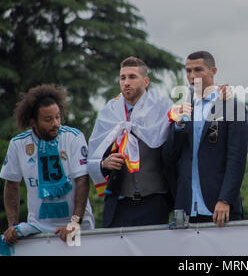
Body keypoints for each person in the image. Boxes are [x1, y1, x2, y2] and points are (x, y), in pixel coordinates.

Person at [162, 51, 248, 227]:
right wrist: (178, 127)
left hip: (219, 207)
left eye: (198, 70)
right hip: (185, 208)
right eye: (188, 71)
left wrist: (225, 199)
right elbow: (168, 157)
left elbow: (236, 160)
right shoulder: (181, 109)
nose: (192, 76)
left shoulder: (233, 106)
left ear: (213, 71)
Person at [87, 56, 176, 228]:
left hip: (155, 202)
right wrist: (104, 163)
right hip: (118, 203)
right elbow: (94, 155)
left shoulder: (163, 108)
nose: (126, 82)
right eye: (123, 78)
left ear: (146, 81)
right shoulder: (109, 112)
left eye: (132, 77)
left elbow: (175, 150)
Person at [0, 84, 94, 245]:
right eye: (48, 119)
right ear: (33, 122)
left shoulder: (73, 137)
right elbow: (11, 185)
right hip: (38, 229)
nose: (55, 123)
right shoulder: (18, 144)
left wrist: (75, 222)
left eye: (58, 117)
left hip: (75, 227)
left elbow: (83, 181)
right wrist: (13, 225)